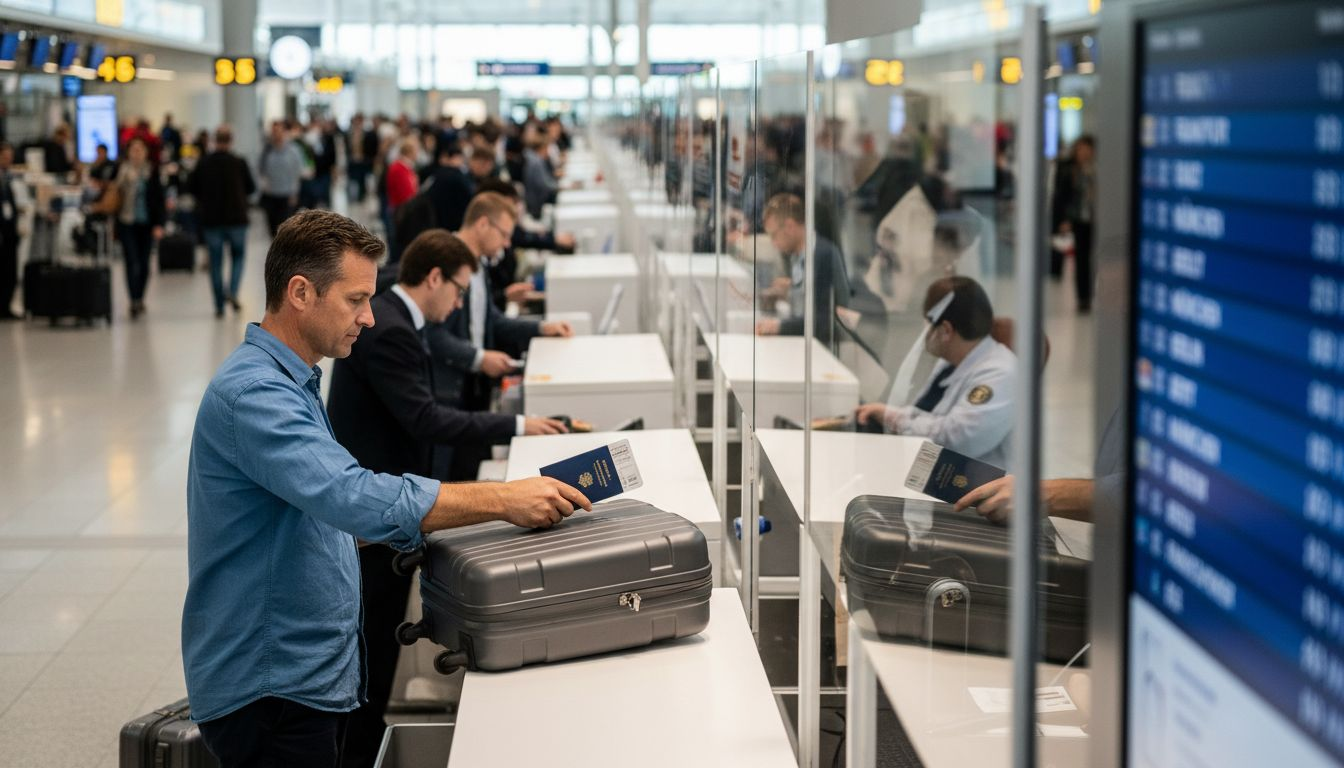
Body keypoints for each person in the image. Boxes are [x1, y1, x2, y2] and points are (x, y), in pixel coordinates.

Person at [182, 210, 591, 768]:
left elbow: (318, 517)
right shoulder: (255, 395)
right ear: (300, 292)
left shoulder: (293, 380)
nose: (369, 318)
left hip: (303, 679)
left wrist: (468, 521)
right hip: (271, 689)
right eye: (355, 300)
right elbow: (352, 497)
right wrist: (501, 498)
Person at [327, 229, 566, 767]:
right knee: (372, 642)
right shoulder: (390, 329)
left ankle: (365, 737)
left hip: (388, 505)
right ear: (433, 278)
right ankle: (361, 749)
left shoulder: (398, 317)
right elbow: (424, 417)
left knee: (376, 642)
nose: (460, 304)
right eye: (458, 291)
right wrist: (518, 425)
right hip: (378, 516)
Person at [426, 192, 573, 479]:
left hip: (475, 388)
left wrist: (541, 328)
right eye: (504, 235)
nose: (507, 244)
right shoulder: (445, 262)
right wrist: (479, 358)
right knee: (454, 475)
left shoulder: (479, 267)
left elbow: (491, 319)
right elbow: (432, 335)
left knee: (473, 470)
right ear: (483, 224)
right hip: (448, 392)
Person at [854, 276, 1017, 467]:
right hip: (931, 468)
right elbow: (927, 413)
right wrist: (888, 414)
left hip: (969, 486)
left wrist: (896, 420)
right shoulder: (951, 361)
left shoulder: (1001, 374)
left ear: (946, 330)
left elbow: (956, 440)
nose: (925, 334)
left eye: (928, 325)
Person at [754, 192, 852, 341]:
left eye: (774, 235)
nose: (774, 243)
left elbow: (825, 320)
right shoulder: (797, 257)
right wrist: (787, 293)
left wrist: (779, 326)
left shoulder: (823, 255)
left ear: (790, 226)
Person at [191, 126, 257, 318]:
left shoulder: (204, 163)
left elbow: (192, 187)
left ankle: (219, 304)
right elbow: (251, 188)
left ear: (214, 140)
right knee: (238, 257)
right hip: (237, 218)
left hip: (212, 220)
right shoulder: (239, 162)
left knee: (216, 262)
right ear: (231, 141)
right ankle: (233, 291)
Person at [113, 137, 165, 320]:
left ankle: (141, 296)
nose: (136, 152)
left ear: (145, 152)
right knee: (131, 261)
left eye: (140, 149)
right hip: (127, 222)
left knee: (144, 263)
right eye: (133, 149)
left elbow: (159, 198)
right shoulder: (121, 169)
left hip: (147, 223)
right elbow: (113, 193)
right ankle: (133, 299)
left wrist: (159, 224)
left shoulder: (152, 171)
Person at [1051, 135, 1097, 313]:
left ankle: (1090, 294)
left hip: (1093, 219)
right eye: (1081, 148)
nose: (1085, 152)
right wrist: (1063, 220)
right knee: (1081, 259)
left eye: (1088, 149)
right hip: (1077, 220)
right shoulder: (1068, 169)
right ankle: (1083, 298)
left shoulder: (1095, 169)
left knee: (1091, 259)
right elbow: (1062, 197)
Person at [259, 121, 304, 237]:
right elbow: (261, 169)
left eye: (279, 131)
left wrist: (294, 192)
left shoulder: (293, 150)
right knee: (272, 229)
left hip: (287, 195)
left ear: (284, 132)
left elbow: (297, 171)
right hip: (270, 195)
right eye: (273, 131)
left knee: (285, 229)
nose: (276, 134)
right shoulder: (267, 150)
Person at [0, 143, 21, 319]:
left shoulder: (8, 177)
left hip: (10, 230)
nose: (8, 160)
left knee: (10, 270)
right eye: (5, 156)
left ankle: (6, 306)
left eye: (10, 156)